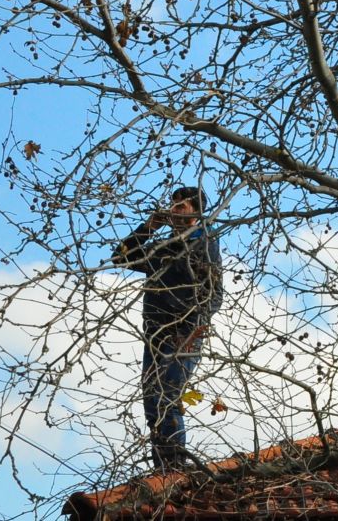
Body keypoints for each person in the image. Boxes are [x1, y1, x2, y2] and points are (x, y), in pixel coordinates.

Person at [112, 185, 223, 468]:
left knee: (168, 394)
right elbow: (120, 257)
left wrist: (194, 330)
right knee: (152, 399)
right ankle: (162, 468)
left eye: (181, 206)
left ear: (196, 212)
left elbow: (214, 295)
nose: (174, 210)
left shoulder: (204, 241)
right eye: (172, 205)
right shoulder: (161, 249)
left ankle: (175, 465)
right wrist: (148, 227)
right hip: (155, 334)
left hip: (184, 333)